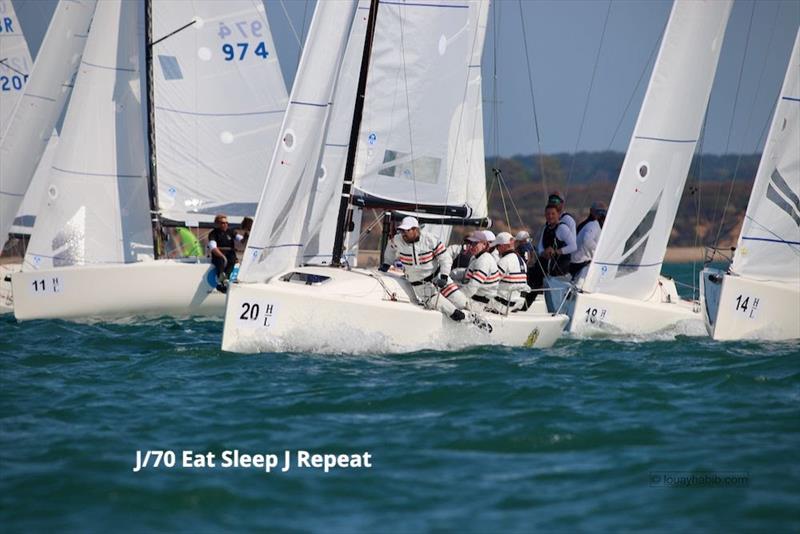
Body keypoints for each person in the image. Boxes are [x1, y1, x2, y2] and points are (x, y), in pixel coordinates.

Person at [380, 216, 467, 323]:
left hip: (438, 278)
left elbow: (445, 259)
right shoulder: (397, 240)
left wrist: (444, 275)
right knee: (450, 310)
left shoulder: (430, 239)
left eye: (406, 230)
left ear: (415, 229)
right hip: (420, 284)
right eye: (402, 230)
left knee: (461, 302)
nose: (403, 233)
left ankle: (475, 319)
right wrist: (387, 263)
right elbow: (390, 248)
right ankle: (462, 319)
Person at [527, 204, 577, 302]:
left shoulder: (562, 228)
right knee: (531, 277)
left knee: (537, 282)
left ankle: (525, 305)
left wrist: (557, 251)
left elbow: (573, 246)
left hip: (558, 269)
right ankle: (524, 305)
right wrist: (543, 253)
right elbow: (540, 247)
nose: (550, 216)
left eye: (553, 214)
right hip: (545, 266)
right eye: (548, 214)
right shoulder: (546, 228)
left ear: (558, 214)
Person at [459, 230, 501, 310]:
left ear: (484, 245)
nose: (471, 246)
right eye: (470, 243)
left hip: (478, 303)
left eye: (475, 243)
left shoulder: (483, 260)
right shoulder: (478, 257)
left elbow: (472, 287)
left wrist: (457, 296)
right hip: (475, 299)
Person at [491, 232, 530, 314]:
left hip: (502, 305)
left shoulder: (504, 261)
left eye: (498, 246)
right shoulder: (522, 261)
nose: (497, 249)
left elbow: (492, 282)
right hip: (517, 303)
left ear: (504, 245)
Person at [570, 201, 607, 278]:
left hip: (575, 262)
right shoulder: (593, 224)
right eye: (598, 211)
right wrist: (598, 253)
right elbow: (587, 240)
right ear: (591, 211)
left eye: (603, 212)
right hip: (580, 264)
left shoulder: (586, 224)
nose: (601, 214)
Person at [208, 214, 239, 293]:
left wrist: (246, 236)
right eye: (222, 223)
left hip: (230, 254)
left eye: (226, 223)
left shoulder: (231, 232)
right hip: (218, 254)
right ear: (217, 224)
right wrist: (222, 256)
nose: (225, 224)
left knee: (232, 259)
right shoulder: (213, 233)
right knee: (221, 261)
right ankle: (221, 282)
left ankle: (226, 279)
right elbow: (213, 247)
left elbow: (240, 239)